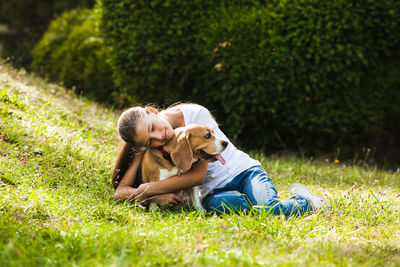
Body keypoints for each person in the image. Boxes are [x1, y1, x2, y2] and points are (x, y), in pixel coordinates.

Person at [112, 103, 330, 216]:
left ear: (152, 111)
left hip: (245, 172)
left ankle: (305, 201)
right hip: (213, 194)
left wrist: (150, 189)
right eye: (150, 141)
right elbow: (120, 192)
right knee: (240, 210)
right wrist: (152, 195)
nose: (159, 137)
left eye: (153, 127)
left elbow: (198, 175)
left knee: (269, 210)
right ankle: (260, 203)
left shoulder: (195, 115)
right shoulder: (148, 145)